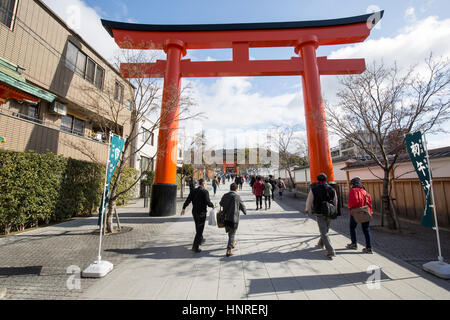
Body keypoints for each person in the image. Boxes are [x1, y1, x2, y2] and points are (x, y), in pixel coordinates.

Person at [305, 173, 338, 259]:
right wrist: (334, 210)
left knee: (323, 231)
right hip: (329, 211)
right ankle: (321, 243)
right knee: (326, 229)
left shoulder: (314, 189)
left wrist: (307, 209)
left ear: (317, 180)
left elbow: (309, 200)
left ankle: (330, 251)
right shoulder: (331, 189)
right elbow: (335, 201)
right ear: (326, 179)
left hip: (319, 212)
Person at [181, 179, 215, 253]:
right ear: (203, 184)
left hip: (194, 212)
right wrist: (212, 206)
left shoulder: (193, 191)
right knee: (200, 229)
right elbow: (208, 202)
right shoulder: (205, 191)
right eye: (205, 183)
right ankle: (195, 247)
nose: (206, 184)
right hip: (201, 213)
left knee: (197, 226)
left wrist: (184, 208)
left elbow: (188, 200)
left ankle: (200, 239)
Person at [346, 177, 374, 254]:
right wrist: (370, 212)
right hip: (365, 212)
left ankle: (354, 244)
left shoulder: (353, 191)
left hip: (355, 212)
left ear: (353, 184)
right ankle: (369, 247)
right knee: (366, 230)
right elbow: (370, 203)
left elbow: (352, 203)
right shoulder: (365, 192)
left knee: (352, 228)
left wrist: (350, 207)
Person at [220, 183, 247, 257]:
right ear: (236, 189)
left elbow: (221, 203)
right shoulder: (237, 196)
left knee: (230, 232)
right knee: (232, 233)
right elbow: (242, 205)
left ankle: (232, 243)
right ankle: (229, 250)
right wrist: (245, 211)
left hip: (226, 217)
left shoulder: (225, 195)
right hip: (233, 218)